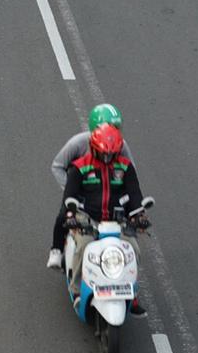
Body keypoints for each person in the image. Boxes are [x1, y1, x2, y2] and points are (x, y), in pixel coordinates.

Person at [61, 123, 150, 316]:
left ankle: (131, 294)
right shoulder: (80, 167)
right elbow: (69, 196)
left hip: (117, 222)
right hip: (88, 220)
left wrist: (139, 216)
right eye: (104, 154)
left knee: (133, 250)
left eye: (112, 154)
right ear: (94, 148)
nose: (108, 158)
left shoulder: (125, 167)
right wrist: (71, 216)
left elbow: (134, 195)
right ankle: (77, 290)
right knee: (84, 247)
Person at [47, 103, 135, 269]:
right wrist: (71, 189)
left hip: (107, 190)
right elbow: (57, 166)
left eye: (117, 127)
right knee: (63, 216)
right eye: (111, 126)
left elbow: (131, 170)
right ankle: (57, 249)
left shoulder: (121, 145)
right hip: (80, 190)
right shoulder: (78, 143)